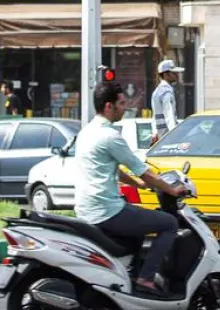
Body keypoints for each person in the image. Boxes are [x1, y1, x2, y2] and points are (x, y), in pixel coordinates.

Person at [75, 80, 189, 297]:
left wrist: (138, 184)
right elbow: (143, 170)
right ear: (109, 106)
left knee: (138, 218)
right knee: (169, 223)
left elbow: (112, 169)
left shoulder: (86, 132)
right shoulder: (110, 137)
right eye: (121, 103)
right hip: (105, 210)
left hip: (87, 207)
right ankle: (145, 279)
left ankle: (130, 273)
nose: (125, 107)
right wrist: (173, 190)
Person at [151, 60, 184, 139]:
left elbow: (155, 116)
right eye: (174, 73)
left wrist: (155, 133)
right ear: (166, 74)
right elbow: (169, 114)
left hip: (161, 137)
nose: (177, 75)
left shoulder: (157, 91)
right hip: (167, 136)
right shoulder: (166, 92)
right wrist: (174, 135)